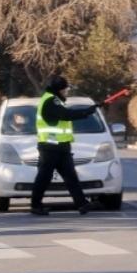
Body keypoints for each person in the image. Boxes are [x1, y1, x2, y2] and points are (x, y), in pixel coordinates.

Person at [30, 76, 102, 216]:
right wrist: (86, 112)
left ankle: (82, 204)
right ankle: (36, 205)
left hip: (61, 147)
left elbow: (64, 116)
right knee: (44, 178)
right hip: (50, 147)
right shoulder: (51, 100)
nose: (67, 91)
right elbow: (66, 115)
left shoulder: (54, 100)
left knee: (70, 176)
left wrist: (89, 110)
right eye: (65, 89)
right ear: (59, 89)